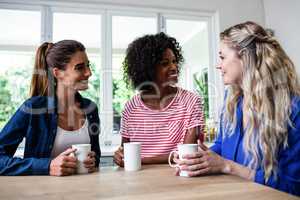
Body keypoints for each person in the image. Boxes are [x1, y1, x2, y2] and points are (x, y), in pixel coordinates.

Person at [173, 21, 300, 196]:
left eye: (222, 57)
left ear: (245, 56)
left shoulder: (293, 109)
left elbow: (293, 186)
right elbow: (221, 145)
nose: (219, 65)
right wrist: (198, 159)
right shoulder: (232, 100)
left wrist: (228, 166)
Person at [0, 40, 101, 176]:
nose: (89, 72)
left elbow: (95, 157)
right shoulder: (33, 108)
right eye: (79, 67)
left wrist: (93, 161)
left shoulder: (91, 109)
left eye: (88, 66)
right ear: (57, 73)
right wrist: (47, 166)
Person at [113, 32, 205, 166]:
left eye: (174, 61)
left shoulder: (191, 102)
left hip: (178, 179)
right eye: (165, 63)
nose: (174, 67)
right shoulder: (131, 107)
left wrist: (140, 160)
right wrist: (119, 156)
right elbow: (125, 152)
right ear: (147, 69)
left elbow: (187, 154)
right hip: (137, 181)